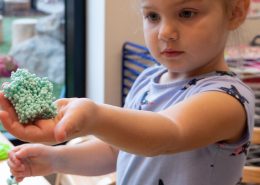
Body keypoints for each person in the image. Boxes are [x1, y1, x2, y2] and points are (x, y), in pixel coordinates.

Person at [0, 0, 255, 184]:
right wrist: (57, 159)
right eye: (153, 16)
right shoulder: (147, 79)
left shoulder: (227, 99)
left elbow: (167, 133)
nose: (165, 32)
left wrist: (94, 117)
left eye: (186, 13)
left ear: (235, 11)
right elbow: (118, 150)